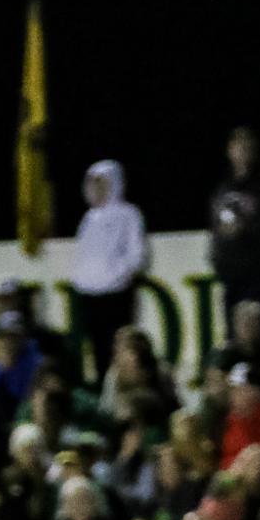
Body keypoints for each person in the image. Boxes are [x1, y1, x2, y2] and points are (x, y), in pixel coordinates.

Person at [207, 127, 260, 337]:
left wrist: (248, 228)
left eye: (247, 148)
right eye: (237, 147)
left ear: (254, 151)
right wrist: (217, 260)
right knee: (233, 338)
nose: (242, 153)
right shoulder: (222, 189)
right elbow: (216, 229)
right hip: (231, 275)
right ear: (229, 151)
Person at [71, 161, 149, 381]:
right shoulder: (89, 219)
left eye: (102, 184)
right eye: (93, 184)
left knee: (121, 349)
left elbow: (137, 255)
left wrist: (117, 274)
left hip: (116, 294)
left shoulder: (128, 214)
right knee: (96, 353)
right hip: (89, 295)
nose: (96, 189)